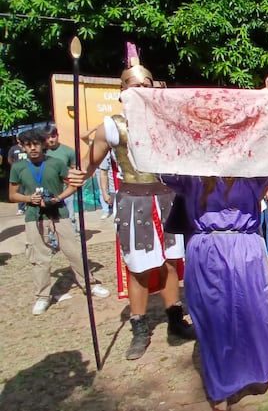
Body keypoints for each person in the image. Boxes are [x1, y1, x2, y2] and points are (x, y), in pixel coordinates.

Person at [66, 45, 195, 360]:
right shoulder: (113, 125)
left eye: (146, 86)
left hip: (167, 198)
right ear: (122, 90)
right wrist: (74, 180)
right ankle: (139, 326)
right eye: (134, 86)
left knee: (171, 262)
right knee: (139, 267)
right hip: (133, 201)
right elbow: (88, 165)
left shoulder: (167, 123)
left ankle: (175, 319)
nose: (140, 90)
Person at [160, 175, 268, 411]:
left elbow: (265, 178)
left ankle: (255, 369)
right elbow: (163, 170)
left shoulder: (253, 170)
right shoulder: (191, 173)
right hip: (210, 248)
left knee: (253, 314)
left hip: (243, 246)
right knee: (213, 319)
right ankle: (222, 383)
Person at [8, 128, 111, 315]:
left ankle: (90, 285)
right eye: (28, 145)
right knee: (39, 258)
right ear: (22, 147)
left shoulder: (56, 163)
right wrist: (28, 199)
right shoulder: (18, 167)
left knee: (73, 252)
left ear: (43, 144)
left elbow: (74, 184)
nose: (33, 148)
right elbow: (12, 195)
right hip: (34, 217)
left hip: (59, 214)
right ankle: (42, 297)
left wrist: (58, 198)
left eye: (36, 144)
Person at [8, 136, 28, 215]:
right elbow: (9, 159)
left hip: (28, 171)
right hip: (19, 173)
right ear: (17, 139)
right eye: (19, 138)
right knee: (20, 190)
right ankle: (21, 208)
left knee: (29, 188)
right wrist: (15, 167)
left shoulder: (27, 147)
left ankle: (28, 206)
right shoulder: (13, 148)